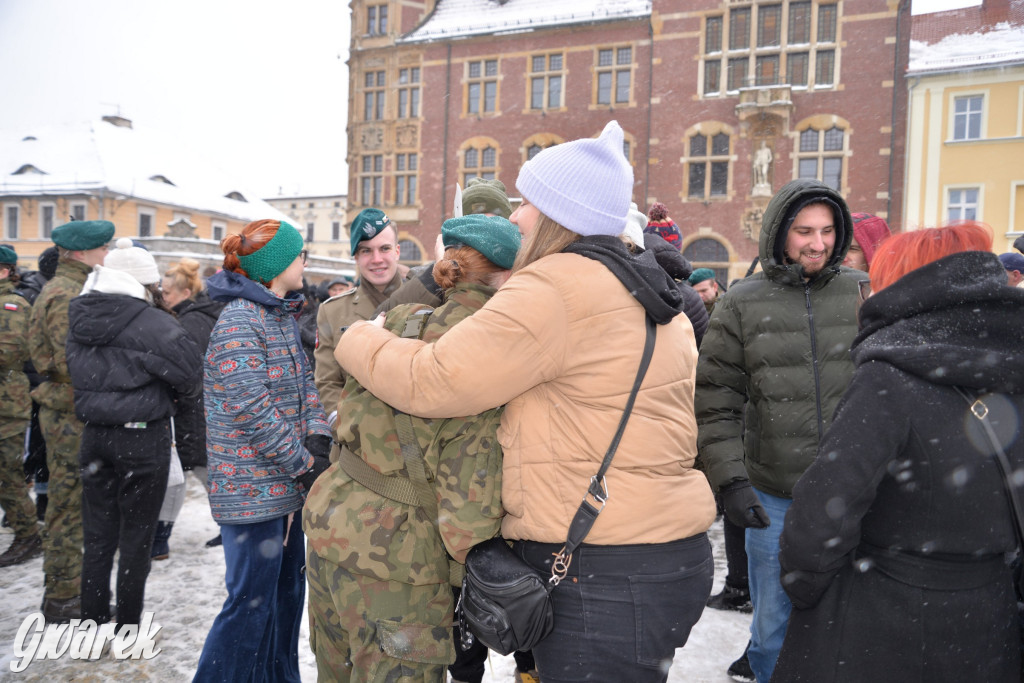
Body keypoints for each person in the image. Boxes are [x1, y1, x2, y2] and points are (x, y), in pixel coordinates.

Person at [337, 121, 716, 683]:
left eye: (528, 203)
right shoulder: (646, 287)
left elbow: (432, 381)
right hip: (662, 556)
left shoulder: (557, 287)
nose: (514, 217)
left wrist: (359, 337)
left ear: (559, 214)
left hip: (599, 567)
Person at [773, 222, 1024, 682]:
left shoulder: (888, 380)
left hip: (883, 624)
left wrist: (808, 589)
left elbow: (821, 518)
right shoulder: (1010, 364)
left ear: (904, 288)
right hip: (991, 622)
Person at [304, 214, 519, 682]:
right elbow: (469, 507)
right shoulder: (484, 351)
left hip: (331, 530)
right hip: (399, 565)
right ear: (506, 275)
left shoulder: (398, 319)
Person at [695, 178, 861, 683]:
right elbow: (716, 403)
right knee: (771, 629)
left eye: (828, 231)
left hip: (854, 493)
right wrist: (732, 482)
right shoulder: (742, 302)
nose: (818, 243)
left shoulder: (861, 292)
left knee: (848, 625)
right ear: (779, 234)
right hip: (774, 498)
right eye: (805, 231)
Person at [194, 219, 332, 682]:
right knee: (248, 609)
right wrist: (303, 463)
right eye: (299, 254)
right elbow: (253, 411)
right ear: (276, 266)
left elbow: (304, 389)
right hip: (252, 496)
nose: (305, 261)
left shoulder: (278, 315)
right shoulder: (240, 321)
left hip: (284, 491)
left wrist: (316, 436)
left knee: (284, 603)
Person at [66, 237, 202, 629]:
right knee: (137, 536)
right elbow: (191, 377)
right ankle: (127, 623)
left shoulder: (79, 314)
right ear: (146, 283)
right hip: (142, 436)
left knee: (97, 535)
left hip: (94, 436)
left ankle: (91, 619)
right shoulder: (155, 323)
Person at [28, 219, 114, 622]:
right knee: (69, 504)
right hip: (71, 411)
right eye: (102, 248)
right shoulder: (69, 294)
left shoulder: (63, 288)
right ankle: (64, 595)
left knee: (71, 501)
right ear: (81, 253)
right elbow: (70, 360)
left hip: (69, 407)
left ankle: (67, 591)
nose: (106, 255)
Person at [155, 258, 225, 558]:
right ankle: (231, 526)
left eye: (167, 293)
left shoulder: (191, 321)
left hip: (194, 410)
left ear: (184, 293)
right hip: (198, 408)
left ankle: (160, 539)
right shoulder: (195, 316)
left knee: (192, 471)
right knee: (196, 471)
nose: (163, 297)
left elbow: (191, 370)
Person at [314, 208, 401, 436]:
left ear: (397, 252)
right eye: (366, 251)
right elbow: (327, 381)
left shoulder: (430, 298)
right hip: (358, 440)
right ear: (356, 257)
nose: (377, 259)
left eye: (384, 248)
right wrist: (343, 425)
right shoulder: (332, 311)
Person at [0, 245, 41, 567]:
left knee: (7, 476)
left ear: (5, 270)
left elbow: (9, 353)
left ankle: (28, 535)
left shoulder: (11, 305)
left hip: (6, 404)